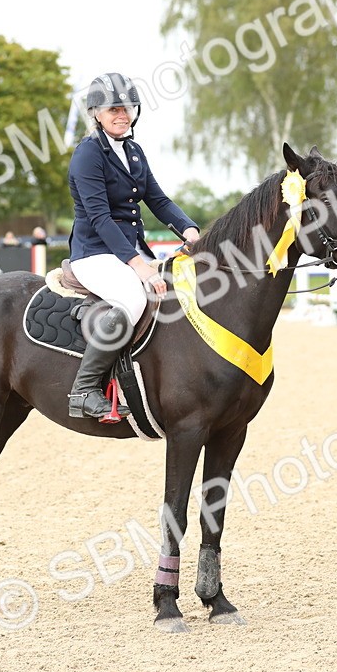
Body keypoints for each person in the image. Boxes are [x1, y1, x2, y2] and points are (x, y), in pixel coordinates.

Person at [65, 72, 201, 419]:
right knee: (134, 298)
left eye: (127, 107)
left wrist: (190, 231)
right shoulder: (88, 154)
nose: (122, 114)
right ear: (96, 112)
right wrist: (136, 264)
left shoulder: (134, 151)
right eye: (113, 109)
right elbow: (99, 217)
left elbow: (157, 199)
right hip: (95, 253)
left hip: (130, 251)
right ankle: (84, 389)